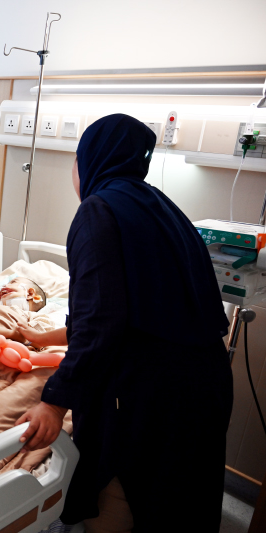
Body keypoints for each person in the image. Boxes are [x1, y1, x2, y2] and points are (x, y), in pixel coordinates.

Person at [14, 114, 233, 531]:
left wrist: (55, 402)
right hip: (206, 382)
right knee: (181, 506)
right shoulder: (163, 208)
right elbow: (134, 307)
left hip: (150, 395)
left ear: (89, 159)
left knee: (120, 498)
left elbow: (101, 321)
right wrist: (43, 336)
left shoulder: (98, 210)